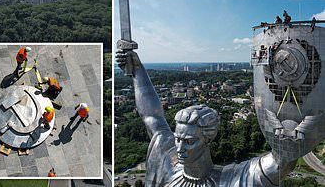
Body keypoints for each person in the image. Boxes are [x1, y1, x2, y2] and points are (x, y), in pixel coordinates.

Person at [115, 40, 302, 186]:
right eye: (178, 139)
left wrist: (288, 108)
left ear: (208, 139)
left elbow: (281, 163)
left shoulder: (232, 180)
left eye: (189, 141)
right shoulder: (168, 168)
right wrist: (137, 70)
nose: (179, 147)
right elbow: (152, 116)